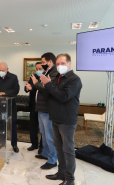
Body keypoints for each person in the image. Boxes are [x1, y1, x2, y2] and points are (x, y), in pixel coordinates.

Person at [40, 53, 82, 185]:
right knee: (58, 147)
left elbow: (64, 96)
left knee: (68, 150)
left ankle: (70, 180)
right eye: (57, 64)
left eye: (62, 63)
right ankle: (61, 173)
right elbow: (51, 95)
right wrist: (45, 85)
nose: (59, 66)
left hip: (67, 120)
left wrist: (49, 85)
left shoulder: (74, 79)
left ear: (69, 64)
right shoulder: (57, 77)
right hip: (56, 118)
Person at [25, 52, 58, 170]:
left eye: (43, 62)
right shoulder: (46, 72)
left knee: (49, 135)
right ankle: (45, 154)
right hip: (40, 107)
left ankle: (53, 160)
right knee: (43, 134)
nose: (42, 65)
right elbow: (40, 86)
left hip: (47, 109)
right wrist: (34, 85)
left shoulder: (54, 73)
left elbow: (46, 88)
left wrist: (35, 84)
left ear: (50, 62)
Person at [24, 62, 43, 152]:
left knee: (43, 128)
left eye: (40, 69)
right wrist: (27, 88)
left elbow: (42, 89)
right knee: (33, 126)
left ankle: (42, 147)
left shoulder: (46, 77)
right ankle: (34, 144)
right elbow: (27, 87)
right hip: (33, 105)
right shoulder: (33, 76)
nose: (38, 71)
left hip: (43, 106)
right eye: (37, 69)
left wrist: (32, 88)